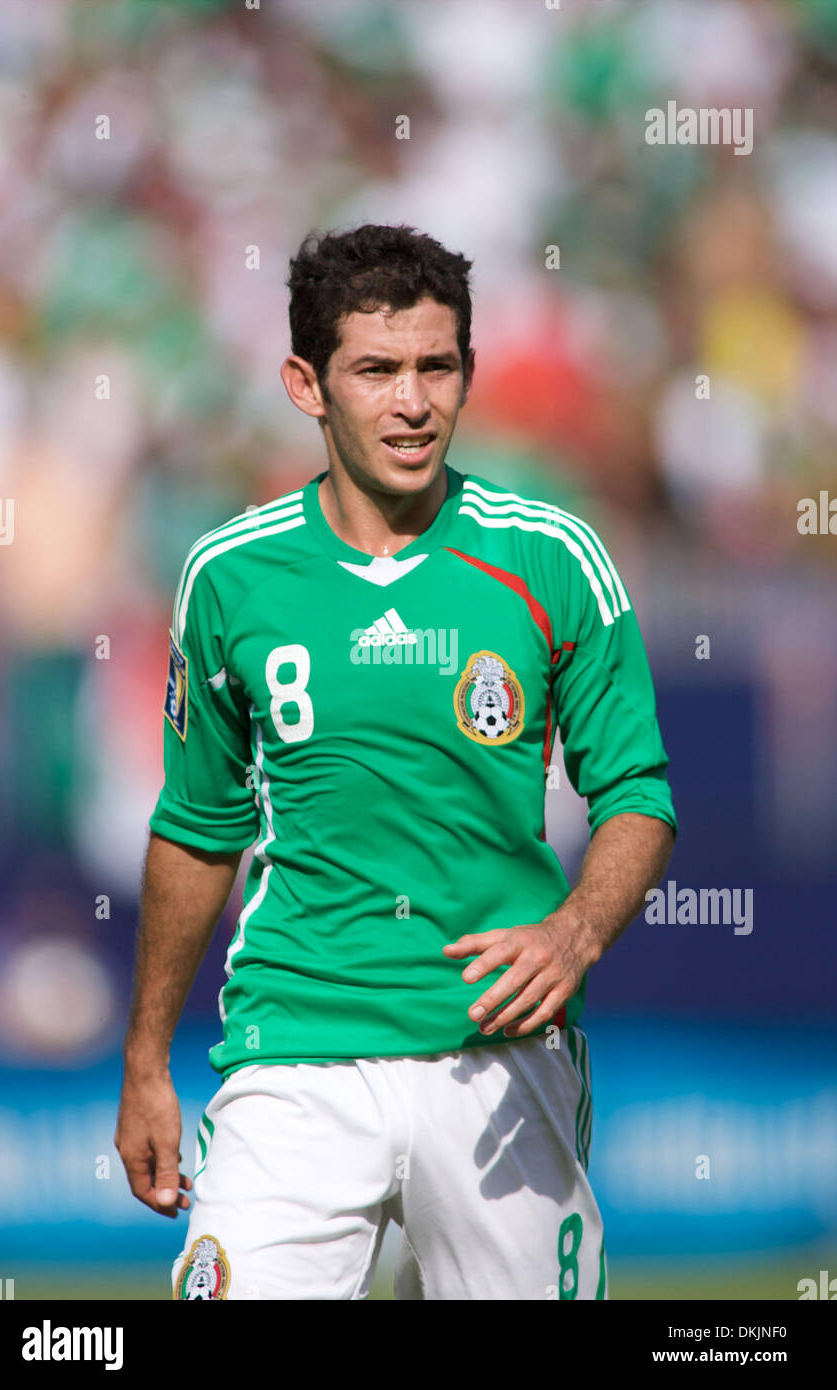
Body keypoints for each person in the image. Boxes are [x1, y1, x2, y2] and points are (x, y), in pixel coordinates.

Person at [115, 223, 676, 1300]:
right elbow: (196, 826)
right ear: (305, 384)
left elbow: (638, 793)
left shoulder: (551, 557)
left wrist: (576, 929)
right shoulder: (230, 575)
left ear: (468, 370)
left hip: (497, 1055)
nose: (412, 402)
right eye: (376, 370)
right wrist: (146, 1057)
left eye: (436, 366)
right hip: (296, 1050)